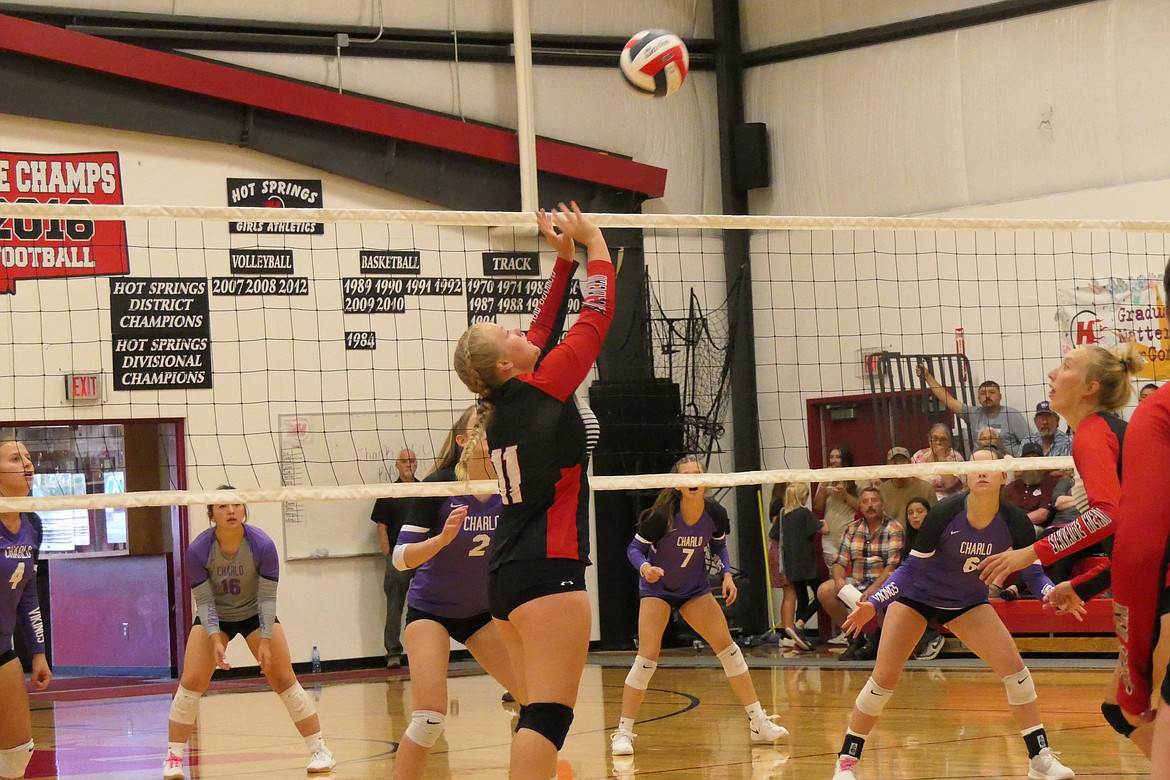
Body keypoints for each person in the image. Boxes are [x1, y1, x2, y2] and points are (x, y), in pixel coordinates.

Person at [452, 202, 611, 780]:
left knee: (534, 712)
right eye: (508, 333)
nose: (521, 329)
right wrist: (595, 243)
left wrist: (564, 259)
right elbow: (597, 316)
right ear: (505, 365)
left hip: (508, 574)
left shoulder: (508, 401)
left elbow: (541, 332)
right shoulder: (541, 393)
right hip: (548, 571)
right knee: (548, 715)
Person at [829, 448, 1074, 780]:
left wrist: (1050, 592)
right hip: (917, 599)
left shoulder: (1014, 521)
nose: (982, 472)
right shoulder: (945, 513)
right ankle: (847, 761)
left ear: (1005, 476)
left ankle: (1039, 757)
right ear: (966, 476)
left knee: (1016, 672)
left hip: (967, 603)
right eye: (975, 467)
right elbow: (910, 570)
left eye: (991, 467)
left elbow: (1033, 573)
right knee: (883, 680)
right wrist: (875, 603)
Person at [979, 341, 1149, 753]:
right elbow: (1134, 539)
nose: (1052, 374)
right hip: (1154, 577)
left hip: (1160, 587)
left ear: (1091, 387)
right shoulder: (1107, 432)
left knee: (1140, 706)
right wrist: (1085, 586)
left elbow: (1105, 516)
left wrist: (1030, 552)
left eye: (1066, 366)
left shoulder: (1093, 432)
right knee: (1121, 709)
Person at [610, 456, 789, 755]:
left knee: (730, 651)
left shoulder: (715, 513)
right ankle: (623, 732)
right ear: (677, 484)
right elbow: (634, 548)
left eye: (697, 474)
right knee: (646, 659)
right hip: (657, 589)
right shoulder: (661, 515)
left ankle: (758, 722)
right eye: (686, 475)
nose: (692, 479)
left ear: (705, 480)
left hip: (694, 589)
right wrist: (645, 568)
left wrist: (728, 574)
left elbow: (718, 544)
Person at [163, 489, 335, 778]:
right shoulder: (198, 551)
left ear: (244, 510)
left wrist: (265, 640)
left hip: (256, 612)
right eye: (222, 506)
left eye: (236, 505)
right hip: (216, 613)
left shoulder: (262, 545)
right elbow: (204, 602)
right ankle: (173, 758)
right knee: (192, 681)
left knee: (283, 678)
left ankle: (320, 750)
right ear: (211, 514)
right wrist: (216, 639)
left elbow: (267, 598)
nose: (230, 510)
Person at [391, 405, 519, 780]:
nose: (487, 430)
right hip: (430, 610)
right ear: (463, 441)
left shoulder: (511, 487)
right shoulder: (439, 485)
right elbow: (400, 558)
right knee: (429, 718)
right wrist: (442, 539)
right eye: (477, 426)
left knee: (536, 705)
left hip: (482, 613)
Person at [0, 438, 49, 780]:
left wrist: (39, 653)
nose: (27, 464)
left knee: (19, 750)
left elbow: (29, 592)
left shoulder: (32, 525)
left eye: (29, 458)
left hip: (3, 648)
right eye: (16, 459)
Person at [815, 487, 903, 661]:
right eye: (865, 501)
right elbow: (840, 561)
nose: (870, 505)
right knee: (825, 590)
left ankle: (875, 640)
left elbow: (892, 565)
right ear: (860, 507)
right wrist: (839, 579)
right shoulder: (851, 529)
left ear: (882, 504)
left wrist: (874, 589)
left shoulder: (894, 528)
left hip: (883, 584)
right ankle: (854, 637)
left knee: (877, 597)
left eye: (874, 500)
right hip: (856, 583)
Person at [372, 447, 419, 668]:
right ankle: (393, 653)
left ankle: (423, 650)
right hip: (397, 558)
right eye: (404, 461)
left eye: (412, 460)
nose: (409, 464)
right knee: (394, 606)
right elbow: (381, 527)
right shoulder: (389, 491)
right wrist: (388, 556)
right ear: (397, 465)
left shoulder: (425, 490)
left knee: (425, 605)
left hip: (422, 556)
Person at [918, 366, 1032, 455]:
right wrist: (928, 376)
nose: (987, 396)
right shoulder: (974, 414)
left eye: (992, 392)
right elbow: (948, 400)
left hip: (1006, 464)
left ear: (1000, 396)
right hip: (978, 465)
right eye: (983, 393)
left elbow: (1030, 443)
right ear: (978, 398)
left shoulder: (1011, 415)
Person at [773, 482, 825, 652]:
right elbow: (824, 529)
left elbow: (774, 535)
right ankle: (799, 625)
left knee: (802, 598)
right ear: (803, 497)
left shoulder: (783, 515)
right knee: (821, 595)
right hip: (807, 564)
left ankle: (797, 638)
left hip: (791, 565)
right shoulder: (804, 513)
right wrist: (824, 523)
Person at [1003, 442, 1062, 535]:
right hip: (1009, 527)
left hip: (1037, 528)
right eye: (1028, 459)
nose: (1031, 463)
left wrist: (1016, 523)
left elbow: (1042, 514)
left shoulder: (1050, 483)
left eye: (1035, 458)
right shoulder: (1013, 486)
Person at [875, 446, 935, 526]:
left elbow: (934, 518)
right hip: (891, 536)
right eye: (894, 462)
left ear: (910, 463)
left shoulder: (926, 488)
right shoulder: (881, 491)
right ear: (888, 465)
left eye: (902, 461)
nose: (899, 465)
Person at [910, 424, 965, 500]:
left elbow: (950, 484)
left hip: (946, 500)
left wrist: (941, 458)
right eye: (935, 438)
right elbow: (910, 480)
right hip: (921, 499)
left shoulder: (955, 457)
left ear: (949, 442)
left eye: (942, 439)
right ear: (929, 439)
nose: (938, 442)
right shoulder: (919, 455)